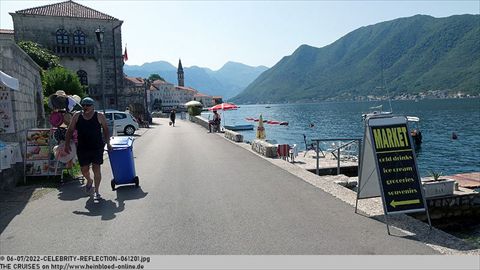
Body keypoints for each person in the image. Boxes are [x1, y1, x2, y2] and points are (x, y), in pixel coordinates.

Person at [64, 97, 112, 200]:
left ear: (93, 106)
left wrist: (108, 143)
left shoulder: (99, 116)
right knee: (84, 170)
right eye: (84, 105)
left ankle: (97, 191)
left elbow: (106, 130)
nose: (85, 107)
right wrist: (67, 144)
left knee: (96, 168)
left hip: (97, 147)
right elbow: (70, 129)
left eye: (88, 105)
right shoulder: (77, 115)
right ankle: (89, 180)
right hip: (83, 147)